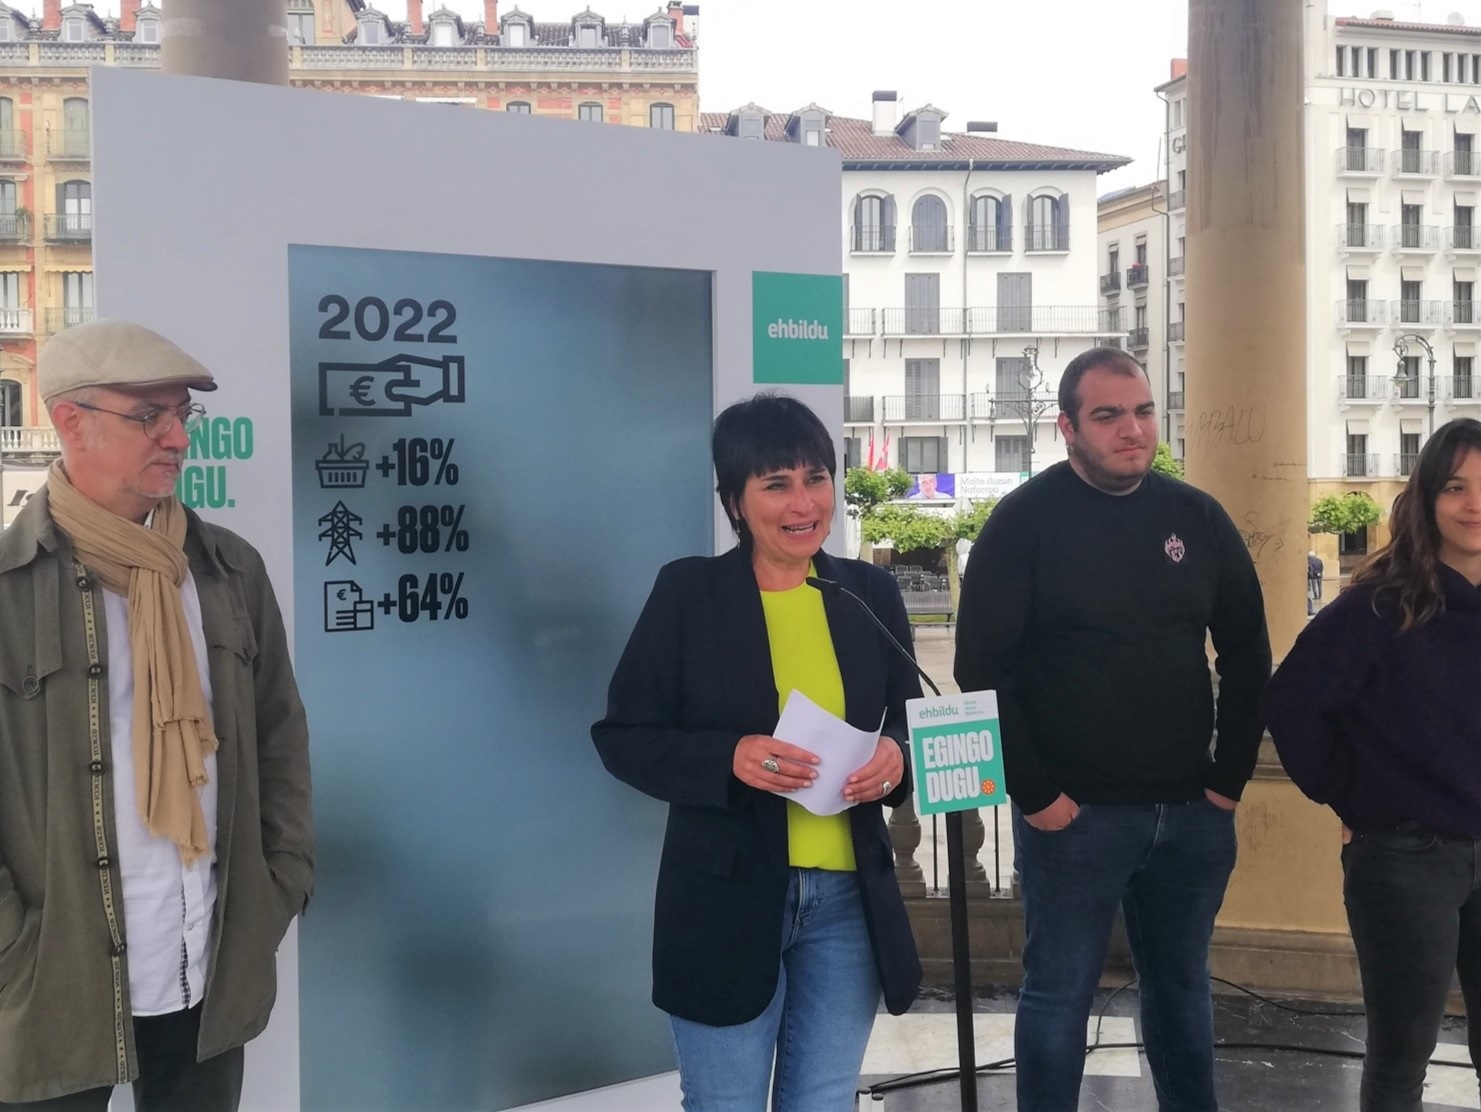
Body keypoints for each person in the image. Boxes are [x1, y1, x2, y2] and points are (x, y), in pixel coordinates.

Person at [0, 320, 313, 1111]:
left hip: (205, 961)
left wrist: (278, 885)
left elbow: (279, 737)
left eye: (182, 414)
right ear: (71, 423)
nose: (176, 437)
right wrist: (11, 944)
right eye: (148, 416)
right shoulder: (9, 587)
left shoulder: (228, 570)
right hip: (51, 982)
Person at [954, 346, 1270, 1112]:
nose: (1132, 429)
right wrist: (1035, 795)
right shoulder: (1023, 522)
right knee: (1057, 995)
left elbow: (1247, 651)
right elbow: (979, 667)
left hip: (1190, 815)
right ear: (1067, 428)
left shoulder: (1196, 518)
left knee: (1182, 990)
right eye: (1107, 416)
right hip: (1073, 820)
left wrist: (1227, 780)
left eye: (1142, 411)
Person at [592, 393, 922, 1112]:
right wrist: (728, 757)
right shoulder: (690, 592)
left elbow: (910, 720)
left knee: (822, 1102)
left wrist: (896, 755)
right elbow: (623, 737)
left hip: (848, 901)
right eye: (776, 484)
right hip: (725, 898)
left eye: (816, 478)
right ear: (735, 502)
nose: (803, 503)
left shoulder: (866, 591)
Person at [1266, 417, 1481, 1112]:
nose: (1473, 504)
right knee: (1400, 1057)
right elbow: (1293, 704)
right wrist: (1353, 796)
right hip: (1407, 860)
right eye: (1455, 487)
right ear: (1427, 497)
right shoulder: (1379, 607)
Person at [1308, 550, 1325, 616]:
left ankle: (1316, 596)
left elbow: (1311, 568)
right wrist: (1319, 572)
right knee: (1320, 586)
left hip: (1313, 576)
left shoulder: (1310, 561)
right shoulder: (1319, 560)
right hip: (1319, 575)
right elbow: (1322, 567)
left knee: (1314, 587)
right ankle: (1320, 596)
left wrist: (1315, 573)